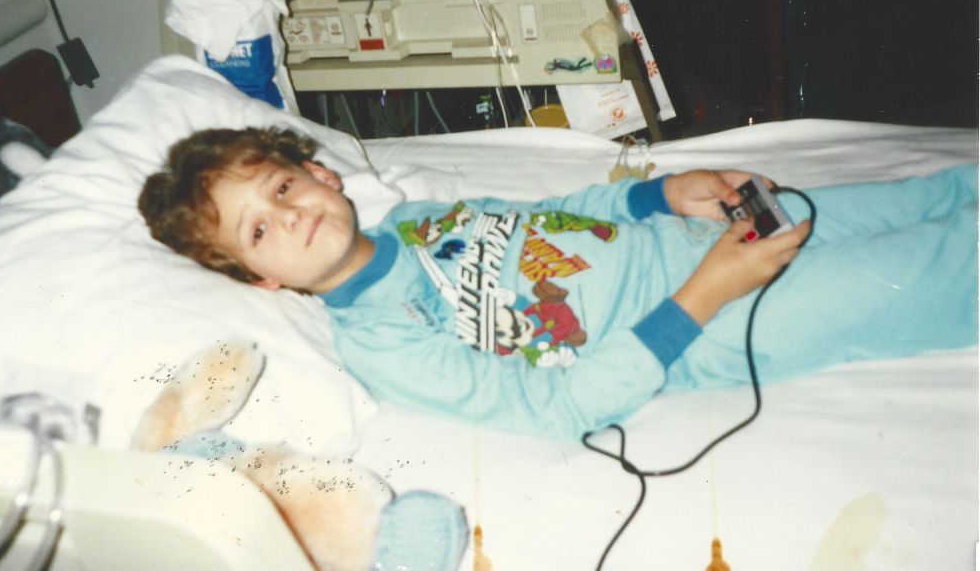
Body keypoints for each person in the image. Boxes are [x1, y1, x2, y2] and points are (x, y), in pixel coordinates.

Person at [139, 127, 978, 441]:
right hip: (704, 325)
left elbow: (552, 216)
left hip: (698, 235)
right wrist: (708, 293)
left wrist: (661, 194)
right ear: (260, 278)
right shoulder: (381, 340)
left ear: (320, 173)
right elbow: (555, 410)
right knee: (933, 269)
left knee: (925, 197)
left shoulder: (418, 220)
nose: (288, 215)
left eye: (282, 187)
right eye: (258, 229)